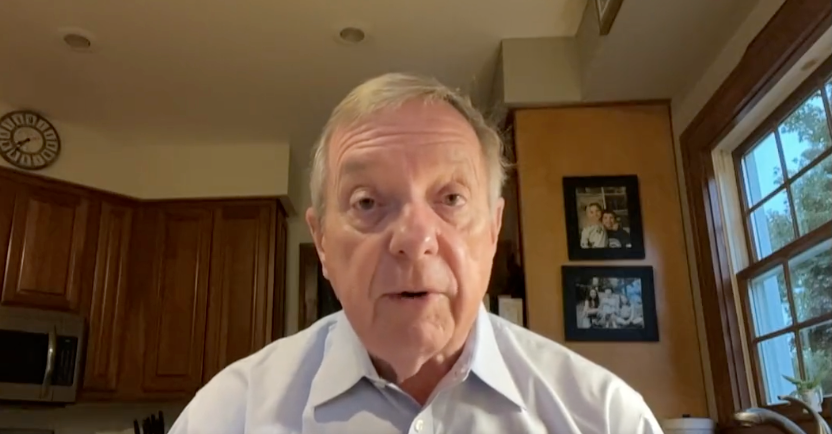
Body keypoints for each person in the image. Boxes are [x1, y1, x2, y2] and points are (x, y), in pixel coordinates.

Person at [169, 73, 663, 433]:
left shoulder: (606, 419)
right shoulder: (225, 417)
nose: (413, 237)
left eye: (451, 198)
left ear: (493, 230)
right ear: (321, 241)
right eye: (367, 202)